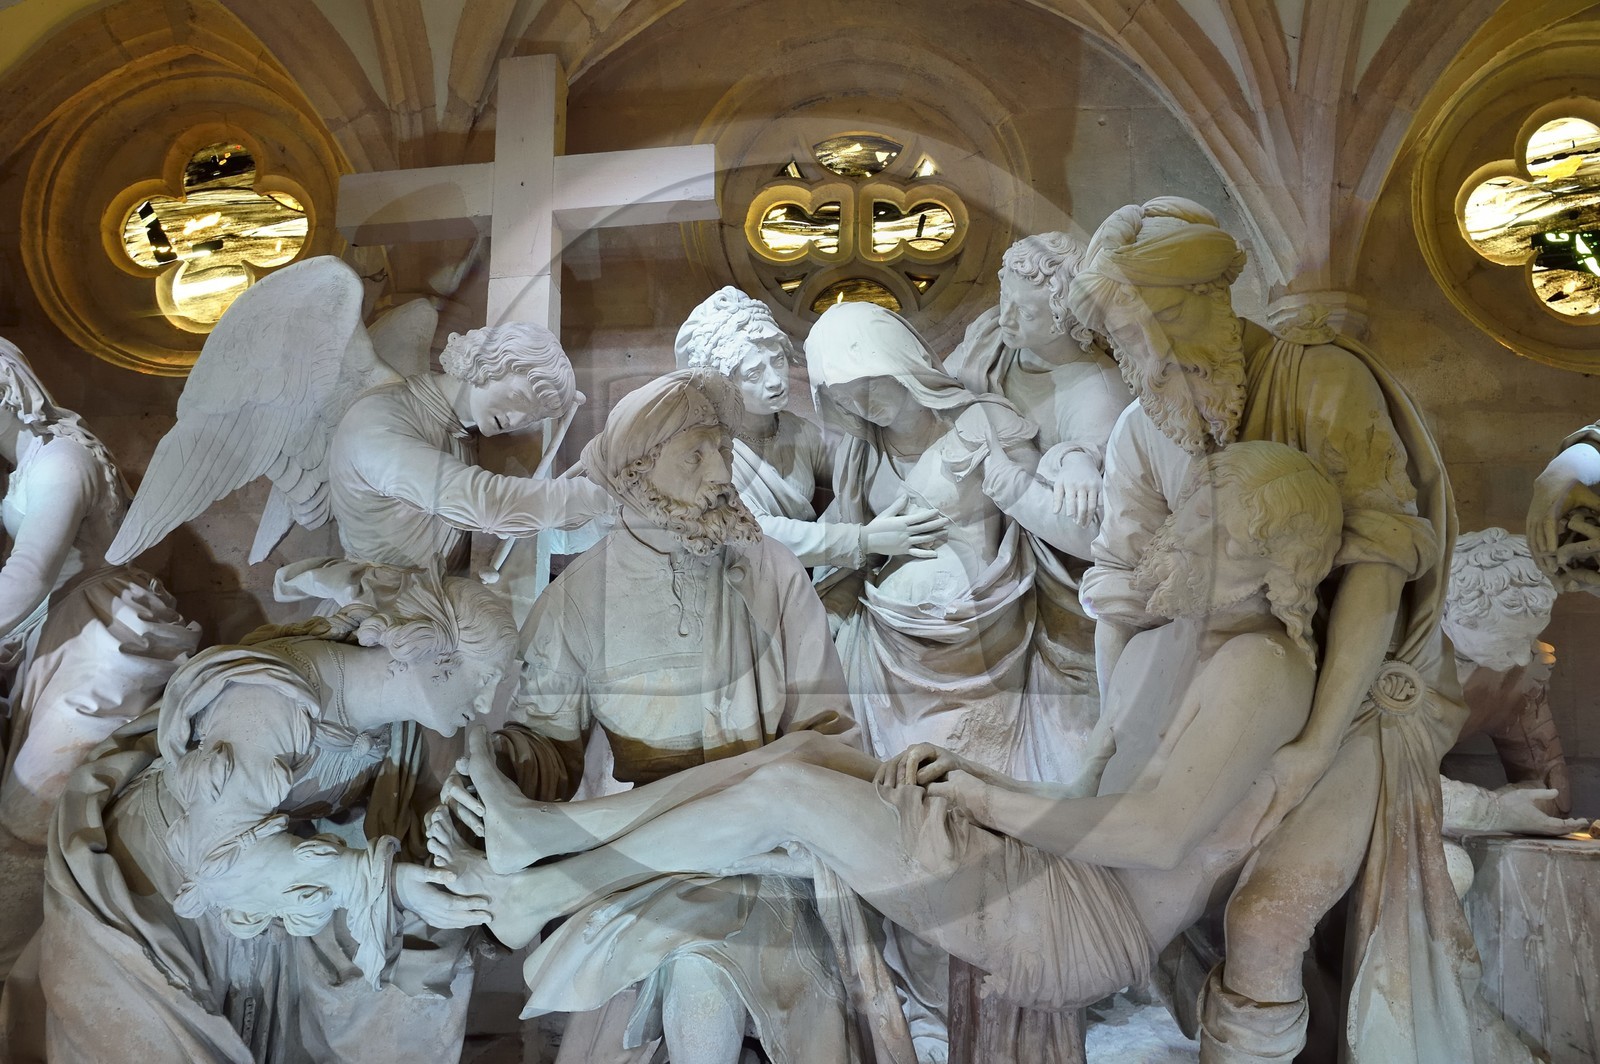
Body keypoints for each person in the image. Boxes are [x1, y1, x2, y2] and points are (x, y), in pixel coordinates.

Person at [428, 442, 1344, 1053]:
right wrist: (977, 781)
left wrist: (983, 801)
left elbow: (1153, 836)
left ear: (1272, 561)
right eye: (1194, 514)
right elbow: (1089, 789)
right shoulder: (1163, 645)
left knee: (785, 798)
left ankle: (544, 878)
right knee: (796, 763)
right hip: (1043, 863)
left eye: (1211, 528)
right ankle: (545, 840)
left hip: (1081, 928)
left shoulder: (1261, 666)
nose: (1183, 534)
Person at [1068, 197, 1521, 1063]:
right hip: (1217, 699)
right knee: (1154, 890)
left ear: (1213, 293)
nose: (1152, 357)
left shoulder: (1320, 380)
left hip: (1357, 705)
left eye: (1163, 321)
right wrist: (1116, 741)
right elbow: (1120, 596)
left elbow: (1379, 568)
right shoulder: (1141, 429)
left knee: (1269, 913)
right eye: (1129, 339)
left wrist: (1313, 745)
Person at [470, 369, 907, 1064]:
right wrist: (497, 771)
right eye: (695, 456)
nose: (722, 474)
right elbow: (546, 750)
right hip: (652, 860)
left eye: (724, 452)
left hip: (775, 859)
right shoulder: (576, 601)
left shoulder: (772, 571)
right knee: (698, 980)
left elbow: (828, 732)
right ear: (638, 477)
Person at [33, 573, 514, 1064]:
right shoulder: (272, 702)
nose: (482, 703)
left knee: (424, 951)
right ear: (437, 660)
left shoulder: (389, 724)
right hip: (159, 883)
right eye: (483, 681)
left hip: (256, 880)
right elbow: (217, 862)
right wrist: (387, 883)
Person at [0, 339, 199, 979]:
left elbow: (28, 575)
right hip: (69, 628)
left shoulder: (62, 458)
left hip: (105, 635)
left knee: (33, 811)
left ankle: (46, 971)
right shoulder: (33, 462)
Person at [806, 300, 1041, 771]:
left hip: (975, 637)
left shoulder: (982, 422)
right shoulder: (860, 452)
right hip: (879, 636)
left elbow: (1043, 510)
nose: (859, 403)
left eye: (866, 383)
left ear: (900, 361)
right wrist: (867, 541)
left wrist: (1069, 460)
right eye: (844, 396)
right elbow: (835, 538)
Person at [945, 232, 1132, 785]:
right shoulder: (993, 340)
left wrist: (1045, 474)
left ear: (1068, 321)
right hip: (978, 546)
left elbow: (1101, 538)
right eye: (1003, 295)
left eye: (1024, 311)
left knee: (1057, 750)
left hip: (1056, 597)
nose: (1003, 316)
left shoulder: (1096, 393)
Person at [674, 286, 948, 570]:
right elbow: (753, 530)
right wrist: (863, 539)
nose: (775, 381)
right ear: (724, 385)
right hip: (747, 579)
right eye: (754, 373)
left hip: (800, 570)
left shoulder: (796, 430)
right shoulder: (710, 453)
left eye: (778, 361)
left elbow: (850, 473)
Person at [323, 320, 613, 573]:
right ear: (488, 362)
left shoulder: (457, 434)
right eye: (519, 397)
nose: (517, 419)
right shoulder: (374, 421)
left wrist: (600, 520)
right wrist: (594, 497)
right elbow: (484, 503)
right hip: (385, 598)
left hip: (436, 590)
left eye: (531, 418)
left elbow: (513, 528)